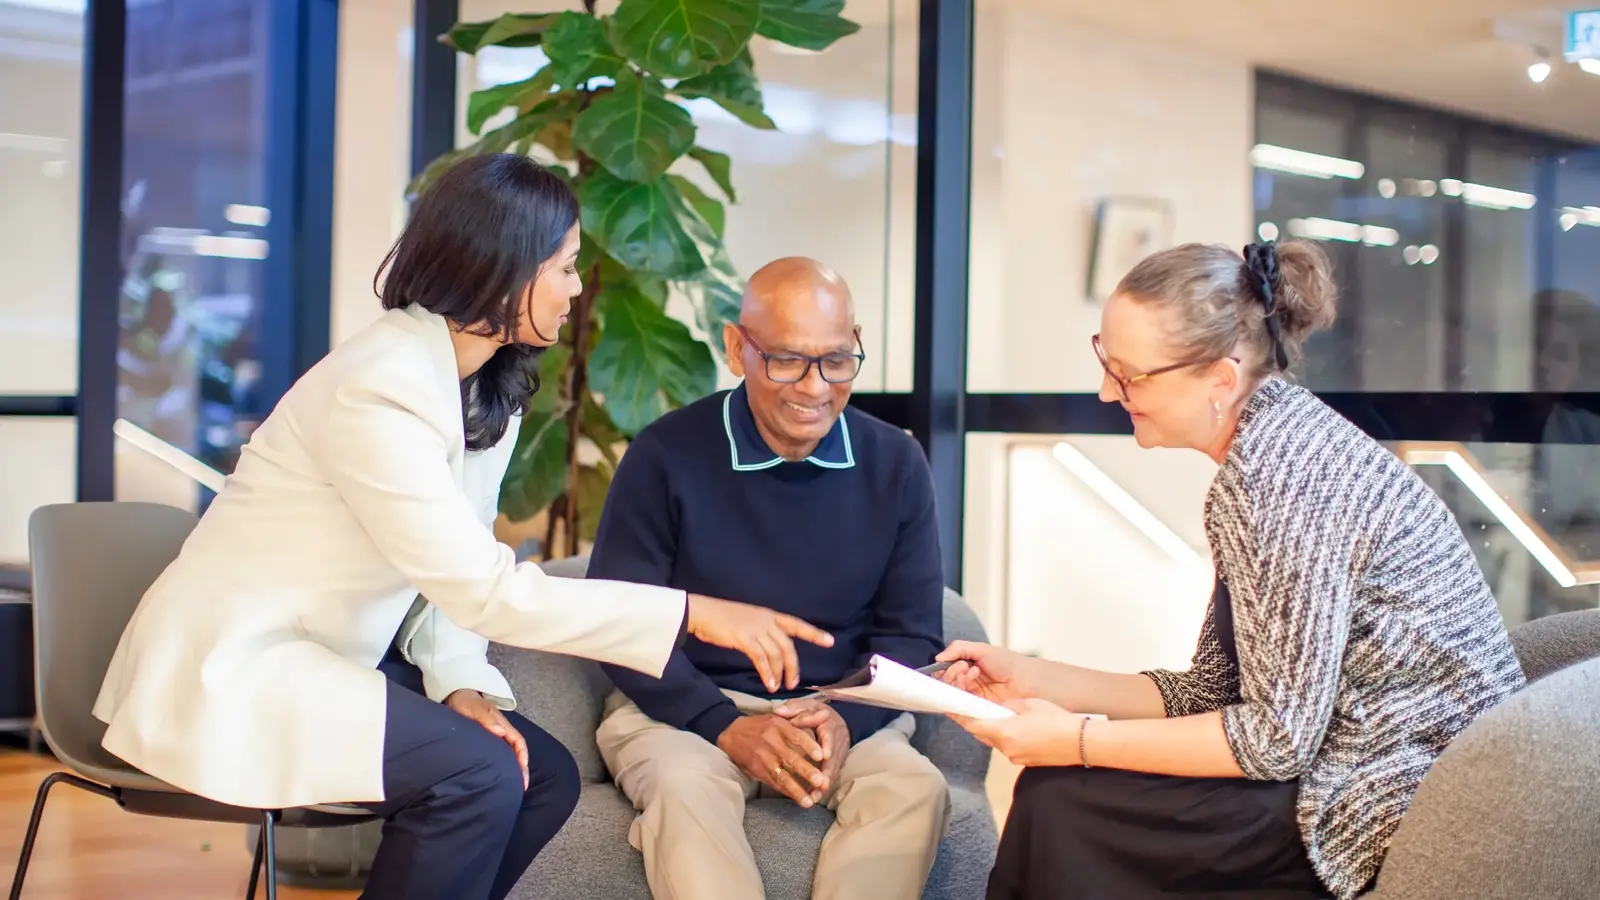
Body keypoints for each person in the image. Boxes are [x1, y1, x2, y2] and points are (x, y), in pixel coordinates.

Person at [90, 154, 834, 900]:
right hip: (240, 660)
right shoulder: (379, 386)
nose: (578, 288)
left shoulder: (485, 384)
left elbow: (459, 558)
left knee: (539, 775)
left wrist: (458, 684)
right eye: (566, 267)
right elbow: (485, 588)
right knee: (473, 776)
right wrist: (692, 611)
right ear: (503, 272)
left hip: (328, 649)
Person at [937, 240, 1526, 900]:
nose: (1108, 392)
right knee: (1059, 792)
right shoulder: (1271, 452)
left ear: (1220, 379)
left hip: (1387, 793)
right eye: (1107, 362)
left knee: (1064, 802)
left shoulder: (1280, 481)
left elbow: (1275, 742)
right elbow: (1219, 690)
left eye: (1131, 376)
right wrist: (1037, 678)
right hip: (1344, 759)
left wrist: (1073, 739)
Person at [585, 257, 951, 900]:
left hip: (838, 708)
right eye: (786, 359)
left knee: (913, 790)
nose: (813, 387)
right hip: (679, 711)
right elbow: (620, 623)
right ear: (737, 348)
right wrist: (722, 722)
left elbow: (914, 636)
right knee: (683, 787)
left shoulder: (895, 462)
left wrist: (845, 717)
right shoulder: (664, 455)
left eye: (836, 360)